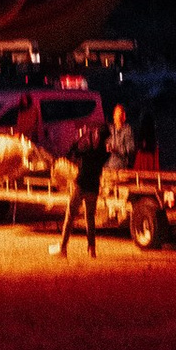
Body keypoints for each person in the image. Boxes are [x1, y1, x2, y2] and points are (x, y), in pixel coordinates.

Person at [56, 104, 112, 257]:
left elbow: (72, 153)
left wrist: (79, 140)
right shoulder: (103, 154)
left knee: (70, 217)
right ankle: (91, 249)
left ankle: (63, 247)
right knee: (90, 219)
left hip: (80, 185)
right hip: (93, 187)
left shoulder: (86, 149)